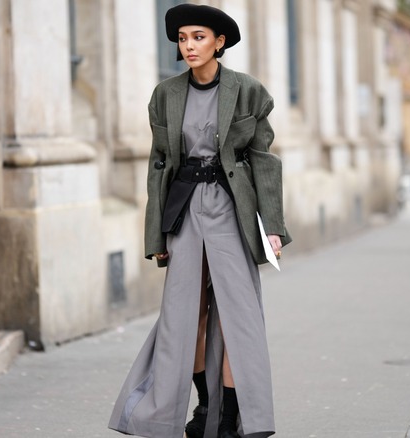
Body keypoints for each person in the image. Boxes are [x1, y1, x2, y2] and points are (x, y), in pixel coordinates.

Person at [108, 4, 291, 438]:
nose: (189, 45)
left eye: (199, 37)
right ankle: (202, 409)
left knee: (236, 313)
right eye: (183, 38)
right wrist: (155, 233)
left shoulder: (248, 92)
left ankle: (228, 419)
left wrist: (273, 227)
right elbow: (159, 166)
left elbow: (263, 161)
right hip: (185, 208)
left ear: (219, 42)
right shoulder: (166, 95)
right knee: (188, 313)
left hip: (231, 209)